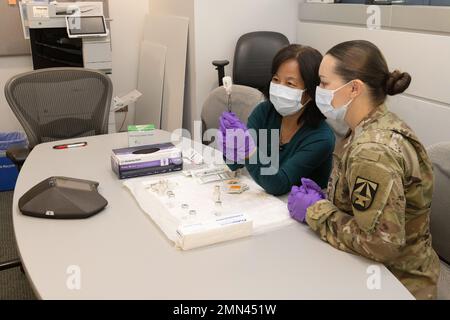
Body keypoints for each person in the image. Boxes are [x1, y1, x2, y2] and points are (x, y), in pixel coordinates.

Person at [287, 40, 440, 299]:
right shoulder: (372, 124)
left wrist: (317, 211)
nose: (318, 90)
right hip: (373, 271)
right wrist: (330, 198)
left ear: (354, 88)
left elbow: (381, 245)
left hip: (395, 283)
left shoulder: (372, 152)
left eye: (324, 83)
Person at [217, 44, 335, 196]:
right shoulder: (265, 112)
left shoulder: (321, 138)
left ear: (311, 92)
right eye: (276, 79)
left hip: (299, 212)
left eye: (290, 83)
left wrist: (248, 151)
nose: (279, 88)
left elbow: (278, 184)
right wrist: (231, 145)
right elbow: (235, 164)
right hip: (266, 201)